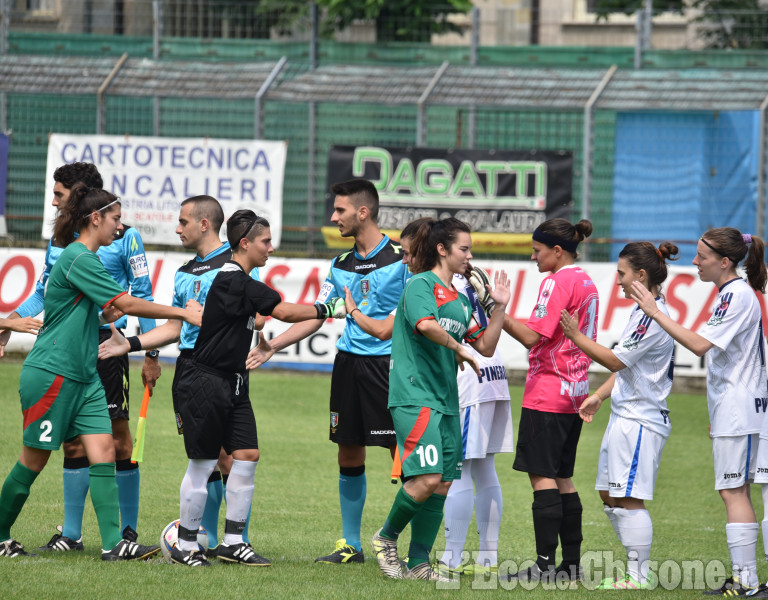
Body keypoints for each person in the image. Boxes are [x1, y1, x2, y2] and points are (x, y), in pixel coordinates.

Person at [102, 209, 347, 567]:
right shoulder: (233, 280)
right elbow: (284, 312)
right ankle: (186, 544)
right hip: (203, 380)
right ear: (245, 243)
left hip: (234, 381)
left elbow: (265, 314)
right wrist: (329, 307)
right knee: (203, 464)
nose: (271, 247)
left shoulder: (243, 279)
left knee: (246, 456)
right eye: (265, 241)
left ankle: (233, 542)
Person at [0, 184, 200, 560]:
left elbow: (105, 306)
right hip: (52, 373)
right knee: (34, 460)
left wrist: (105, 313)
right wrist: (182, 313)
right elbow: (126, 301)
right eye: (115, 219)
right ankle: (0, 535)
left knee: (104, 450)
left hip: (86, 373)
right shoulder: (79, 257)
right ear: (96, 218)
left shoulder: (86, 259)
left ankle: (114, 543)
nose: (120, 227)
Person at [247, 179, 410, 564]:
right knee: (348, 451)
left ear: (363, 212)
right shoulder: (339, 264)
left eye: (340, 210)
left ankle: (412, 547)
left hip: (389, 366)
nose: (333, 217)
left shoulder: (403, 260)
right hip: (348, 365)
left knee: (404, 454)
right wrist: (275, 344)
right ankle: (350, 545)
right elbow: (319, 315)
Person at [345, 219, 514, 577]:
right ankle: (385, 538)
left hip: (447, 399)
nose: (470, 256)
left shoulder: (458, 297)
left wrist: (498, 307)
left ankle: (420, 562)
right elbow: (425, 325)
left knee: (443, 483)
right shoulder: (421, 285)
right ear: (442, 249)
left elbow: (485, 344)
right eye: (464, 249)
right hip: (413, 395)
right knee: (426, 477)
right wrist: (457, 348)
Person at [98, 194, 259, 554]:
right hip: (194, 371)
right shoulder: (185, 272)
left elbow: (258, 313)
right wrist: (133, 344)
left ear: (204, 224)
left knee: (237, 455)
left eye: (183, 221)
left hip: (229, 372)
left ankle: (233, 540)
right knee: (214, 456)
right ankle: (210, 539)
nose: (177, 228)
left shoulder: (237, 263)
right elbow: (176, 327)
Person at [630, 228, 767, 596]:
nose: (694, 262)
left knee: (734, 490)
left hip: (742, 409)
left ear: (724, 262)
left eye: (702, 257)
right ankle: (748, 579)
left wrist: (654, 311)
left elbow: (699, 345)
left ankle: (747, 581)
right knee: (735, 490)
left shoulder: (735, 294)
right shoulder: (732, 293)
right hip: (735, 408)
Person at [559, 241, 678, 589]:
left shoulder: (653, 317)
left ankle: (639, 575)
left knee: (628, 497)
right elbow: (625, 367)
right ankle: (636, 570)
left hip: (640, 420)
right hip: (624, 415)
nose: (618, 281)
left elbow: (615, 360)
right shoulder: (641, 313)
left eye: (622, 273)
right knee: (609, 495)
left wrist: (576, 336)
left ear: (641, 275)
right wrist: (599, 395)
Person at [497, 217, 598, 584]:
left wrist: (498, 311)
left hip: (548, 391)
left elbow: (531, 337)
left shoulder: (556, 280)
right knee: (564, 479)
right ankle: (571, 566)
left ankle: (543, 566)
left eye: (537, 250)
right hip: (575, 391)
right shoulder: (586, 280)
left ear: (557, 251)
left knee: (542, 479)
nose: (533, 256)